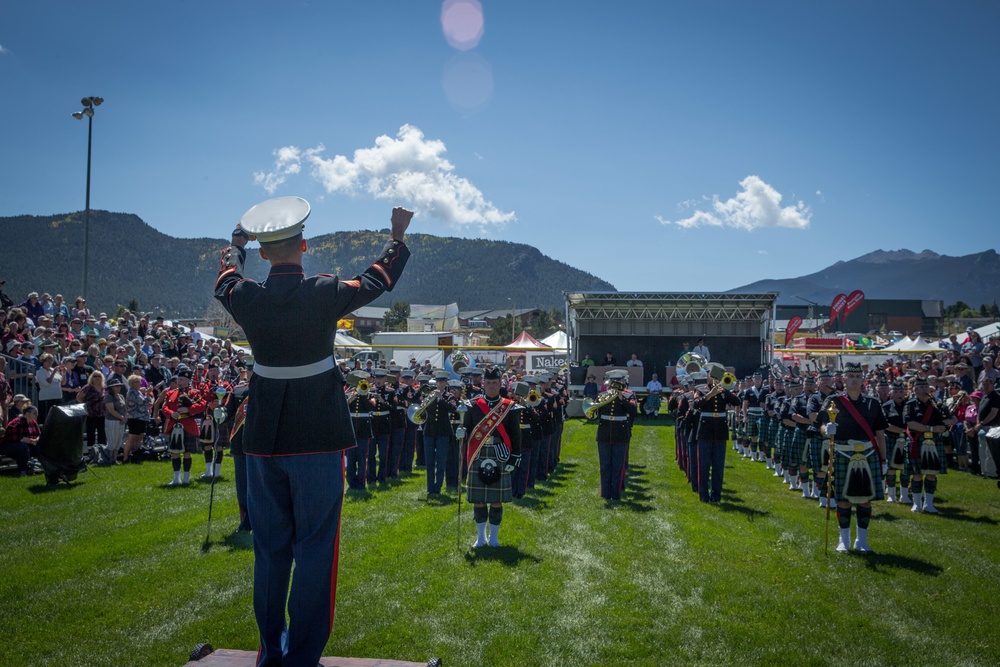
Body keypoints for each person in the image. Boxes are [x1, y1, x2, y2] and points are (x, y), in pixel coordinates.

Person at [214, 199, 412, 667]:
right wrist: (397, 237)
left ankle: (271, 653)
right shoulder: (324, 291)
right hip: (320, 435)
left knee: (270, 550)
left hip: (263, 437)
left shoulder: (246, 297)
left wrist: (235, 245)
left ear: (264, 254)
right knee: (316, 549)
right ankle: (302, 658)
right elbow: (376, 280)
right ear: (304, 245)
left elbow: (225, 277)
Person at [818, 362, 888, 554]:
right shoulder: (833, 401)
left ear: (862, 379)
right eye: (850, 376)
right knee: (843, 500)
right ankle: (844, 540)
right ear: (843, 379)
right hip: (842, 452)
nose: (854, 379)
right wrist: (827, 431)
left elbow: (880, 434)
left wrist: (884, 461)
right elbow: (821, 424)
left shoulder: (873, 403)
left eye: (858, 376)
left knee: (865, 500)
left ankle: (862, 541)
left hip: (868, 454)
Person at [464, 366, 522, 547]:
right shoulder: (472, 405)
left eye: (494, 383)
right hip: (478, 453)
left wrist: (514, 458)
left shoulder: (509, 408)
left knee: (496, 500)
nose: (491, 386)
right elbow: (466, 430)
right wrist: (460, 433)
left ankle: (494, 538)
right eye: (488, 383)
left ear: (500, 384)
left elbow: (515, 435)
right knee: (479, 499)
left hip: (500, 455)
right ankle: (481, 538)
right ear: (483, 384)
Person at [692, 372, 741, 503]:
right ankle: (703, 495)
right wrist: (709, 395)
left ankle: (716, 495)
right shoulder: (700, 389)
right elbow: (695, 404)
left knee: (718, 466)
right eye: (712, 377)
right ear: (708, 377)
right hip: (705, 431)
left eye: (717, 377)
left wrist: (725, 390)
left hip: (720, 432)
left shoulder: (724, 391)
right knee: (704, 465)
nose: (715, 379)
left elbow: (737, 401)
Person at [904, 377, 949, 513]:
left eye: (926, 387)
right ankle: (916, 504)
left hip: (934, 442)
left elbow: (950, 417)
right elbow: (910, 424)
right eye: (922, 387)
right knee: (917, 474)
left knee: (931, 474)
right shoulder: (910, 405)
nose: (925, 390)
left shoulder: (937, 404)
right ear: (915, 389)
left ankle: (928, 504)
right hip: (917, 441)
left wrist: (948, 421)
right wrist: (932, 429)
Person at [161, 366, 207, 485]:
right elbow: (164, 407)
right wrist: (172, 413)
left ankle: (186, 478)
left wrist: (188, 409)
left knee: (187, 452)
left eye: (181, 380)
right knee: (174, 452)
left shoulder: (194, 393)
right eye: (178, 380)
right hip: (174, 425)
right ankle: (176, 479)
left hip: (188, 426)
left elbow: (202, 405)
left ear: (187, 381)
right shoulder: (170, 393)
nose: (179, 382)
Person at [594, 370, 635, 501]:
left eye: (618, 382)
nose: (615, 385)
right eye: (613, 382)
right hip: (604, 432)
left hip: (620, 433)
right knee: (605, 464)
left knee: (618, 465)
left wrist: (622, 399)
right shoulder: (603, 396)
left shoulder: (629, 395)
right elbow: (595, 413)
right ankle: (605, 492)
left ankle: (616, 493)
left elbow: (633, 411)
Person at [0, 404, 40, 476]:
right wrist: (32, 441)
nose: (37, 415)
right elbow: (19, 438)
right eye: (34, 413)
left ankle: (43, 467)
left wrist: (37, 439)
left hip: (25, 445)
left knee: (41, 445)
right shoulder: (17, 422)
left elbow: (38, 434)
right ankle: (23, 470)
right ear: (27, 413)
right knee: (22, 447)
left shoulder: (33, 422)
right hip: (7, 446)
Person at [104, 376, 128, 464]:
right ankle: (108, 458)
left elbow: (125, 408)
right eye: (116, 386)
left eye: (119, 386)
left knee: (118, 441)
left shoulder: (121, 396)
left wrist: (124, 417)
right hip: (112, 420)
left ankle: (114, 458)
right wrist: (121, 417)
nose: (119, 388)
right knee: (112, 441)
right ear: (112, 387)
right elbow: (111, 410)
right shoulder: (109, 397)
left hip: (121, 421)